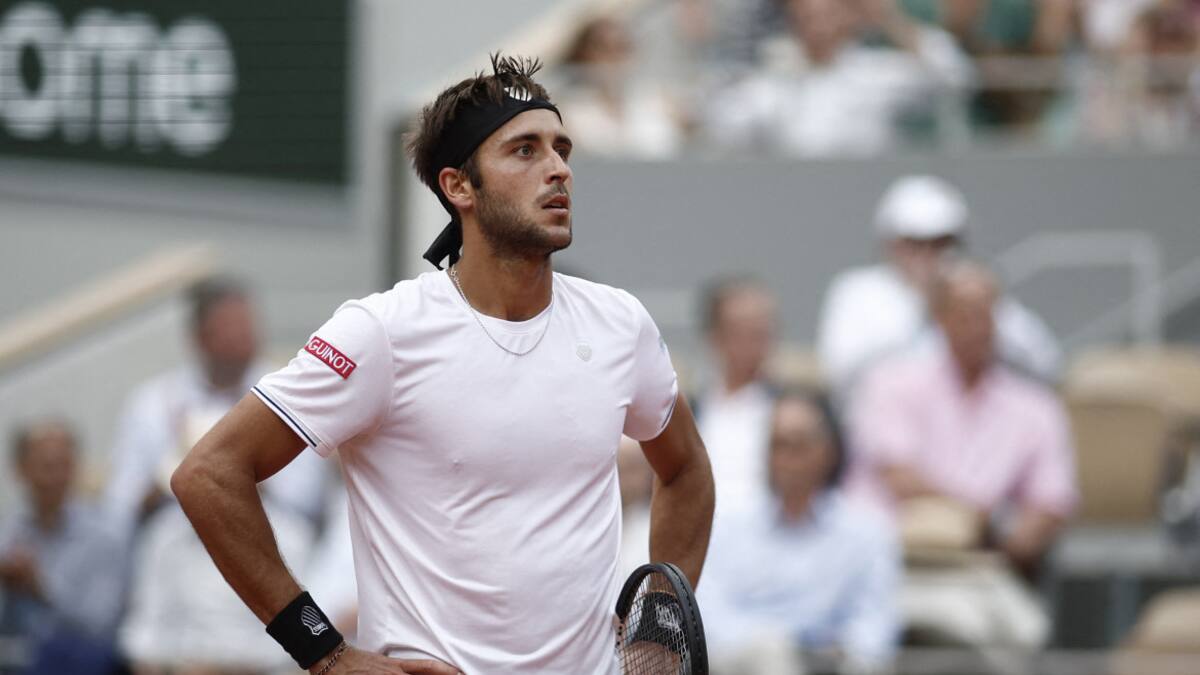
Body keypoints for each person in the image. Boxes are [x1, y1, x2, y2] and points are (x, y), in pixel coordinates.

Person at [170, 54, 714, 675]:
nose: (559, 169)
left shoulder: (621, 324)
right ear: (459, 187)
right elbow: (209, 475)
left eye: (561, 148)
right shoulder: (380, 332)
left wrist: (659, 621)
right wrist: (325, 653)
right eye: (524, 151)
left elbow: (687, 469)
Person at [847, 258, 1077, 647]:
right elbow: (901, 479)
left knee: (1024, 633)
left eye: (987, 312)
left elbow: (1052, 502)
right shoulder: (890, 383)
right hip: (893, 568)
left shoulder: (1035, 407)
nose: (978, 325)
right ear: (939, 318)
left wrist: (1019, 535)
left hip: (982, 571)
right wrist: (988, 521)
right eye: (965, 312)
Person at [103, 277, 328, 538]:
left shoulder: (287, 394)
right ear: (198, 337)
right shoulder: (154, 402)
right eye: (230, 327)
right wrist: (171, 475)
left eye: (247, 324)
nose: (243, 336)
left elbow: (307, 499)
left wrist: (244, 475)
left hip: (266, 536)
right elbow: (118, 506)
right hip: (175, 544)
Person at [699, 391, 900, 675]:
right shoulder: (728, 528)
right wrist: (773, 648)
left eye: (799, 445)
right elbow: (709, 616)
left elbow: (874, 628)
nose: (787, 459)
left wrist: (835, 656)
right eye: (778, 446)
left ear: (829, 452)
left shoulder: (867, 534)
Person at [815, 174, 1061, 401]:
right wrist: (927, 307)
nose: (928, 256)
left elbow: (1046, 364)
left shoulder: (972, 290)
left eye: (941, 244)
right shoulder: (858, 291)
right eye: (915, 244)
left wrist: (984, 311)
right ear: (890, 244)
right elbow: (841, 372)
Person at [705, 0, 972, 156]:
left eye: (826, 15)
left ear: (849, 18)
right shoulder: (777, 79)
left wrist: (888, 19)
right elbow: (727, 124)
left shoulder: (875, 72)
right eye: (805, 17)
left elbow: (955, 76)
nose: (816, 26)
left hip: (864, 188)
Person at [0, 420, 125, 675]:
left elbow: (101, 625)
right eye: (46, 466)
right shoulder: (8, 532)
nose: (55, 477)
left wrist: (41, 588)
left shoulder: (104, 535)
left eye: (64, 466)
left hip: (78, 659)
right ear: (21, 470)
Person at [694, 278, 778, 522]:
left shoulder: (793, 413)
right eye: (740, 331)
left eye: (761, 332)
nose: (753, 343)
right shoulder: (686, 409)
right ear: (715, 337)